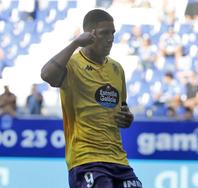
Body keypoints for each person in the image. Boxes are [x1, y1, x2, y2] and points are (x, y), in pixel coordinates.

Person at [40, 9, 142, 188]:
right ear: (89, 35)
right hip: (86, 159)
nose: (110, 38)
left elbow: (121, 108)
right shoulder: (72, 65)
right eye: (104, 33)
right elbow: (46, 75)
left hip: (119, 160)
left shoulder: (117, 69)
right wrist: (75, 44)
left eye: (112, 33)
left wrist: (128, 118)